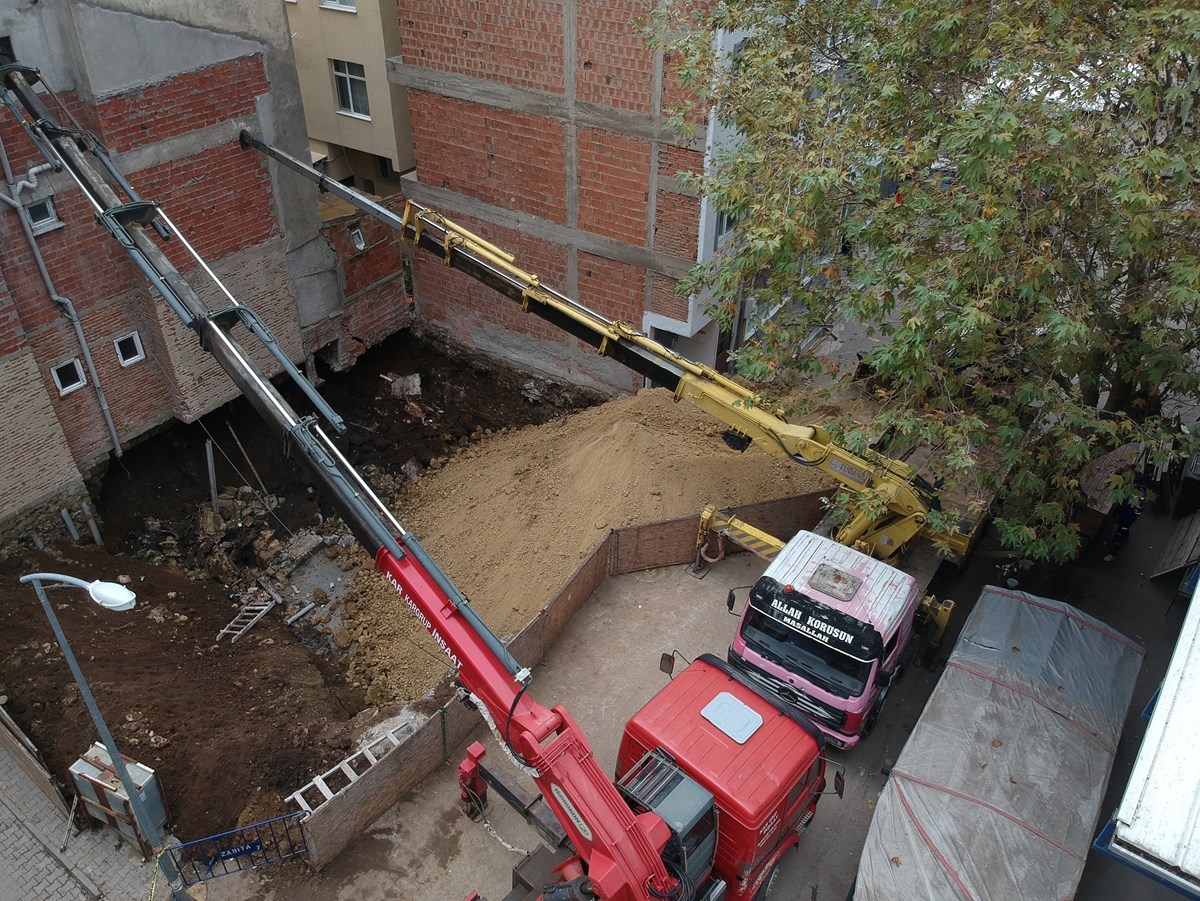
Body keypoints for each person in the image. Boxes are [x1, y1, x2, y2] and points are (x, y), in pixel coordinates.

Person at [1104, 483, 1147, 561]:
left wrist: (1137, 509)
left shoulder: (1138, 502)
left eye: (1141, 493)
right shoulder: (1128, 496)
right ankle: (1124, 536)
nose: (1138, 493)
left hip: (1127, 519)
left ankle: (1113, 554)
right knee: (1122, 530)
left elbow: (1138, 512)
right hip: (1123, 516)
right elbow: (1121, 504)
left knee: (1119, 535)